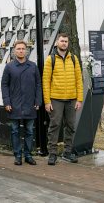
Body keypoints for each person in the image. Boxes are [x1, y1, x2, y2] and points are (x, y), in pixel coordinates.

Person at [42, 33, 83, 166]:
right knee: (54, 126)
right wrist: (47, 101)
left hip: (72, 99)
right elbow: (46, 81)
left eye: (66, 41)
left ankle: (67, 152)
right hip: (56, 99)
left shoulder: (74, 59)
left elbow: (79, 80)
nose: (64, 43)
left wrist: (79, 99)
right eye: (62, 41)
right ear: (57, 43)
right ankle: (52, 154)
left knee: (70, 126)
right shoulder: (50, 59)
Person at [1, 40, 42, 166]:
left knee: (29, 131)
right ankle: (18, 155)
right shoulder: (9, 67)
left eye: (23, 49)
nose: (21, 51)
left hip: (30, 104)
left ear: (27, 50)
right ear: (14, 50)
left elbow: (38, 84)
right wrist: (7, 101)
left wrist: (38, 100)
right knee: (15, 131)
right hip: (14, 105)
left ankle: (28, 155)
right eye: (18, 49)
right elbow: (4, 85)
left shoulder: (33, 66)